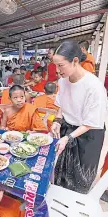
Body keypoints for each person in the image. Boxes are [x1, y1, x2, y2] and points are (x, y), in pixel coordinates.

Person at [51, 40, 107, 194]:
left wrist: (68, 137)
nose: (57, 70)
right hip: (68, 129)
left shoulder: (94, 87)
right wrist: (57, 120)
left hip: (88, 135)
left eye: (61, 65)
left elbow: (90, 123)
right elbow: (62, 104)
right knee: (61, 171)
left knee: (79, 177)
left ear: (75, 61)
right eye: (55, 65)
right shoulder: (63, 81)